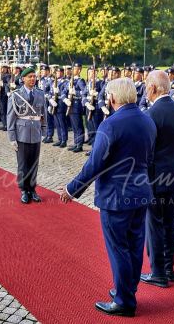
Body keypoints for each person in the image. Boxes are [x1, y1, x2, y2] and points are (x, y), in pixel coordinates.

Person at [59, 78, 157, 317]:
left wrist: (72, 189)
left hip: (116, 197)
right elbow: (150, 158)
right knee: (134, 247)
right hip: (140, 192)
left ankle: (124, 301)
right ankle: (127, 290)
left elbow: (94, 164)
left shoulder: (110, 124)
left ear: (113, 98)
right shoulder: (148, 120)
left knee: (119, 249)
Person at [140, 70, 174, 288]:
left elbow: (147, 153)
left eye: (146, 86)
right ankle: (169, 268)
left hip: (155, 179)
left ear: (152, 88)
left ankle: (159, 272)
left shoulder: (151, 115)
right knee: (169, 223)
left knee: (154, 225)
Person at [7, 67, 48, 204]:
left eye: (34, 76)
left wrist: (44, 130)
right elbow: (11, 117)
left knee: (33, 164)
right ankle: (24, 190)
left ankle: (32, 189)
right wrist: (12, 137)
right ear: (23, 78)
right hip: (22, 133)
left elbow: (44, 115)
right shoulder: (16, 95)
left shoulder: (40, 94)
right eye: (29, 76)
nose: (32, 79)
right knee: (23, 164)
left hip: (36, 132)